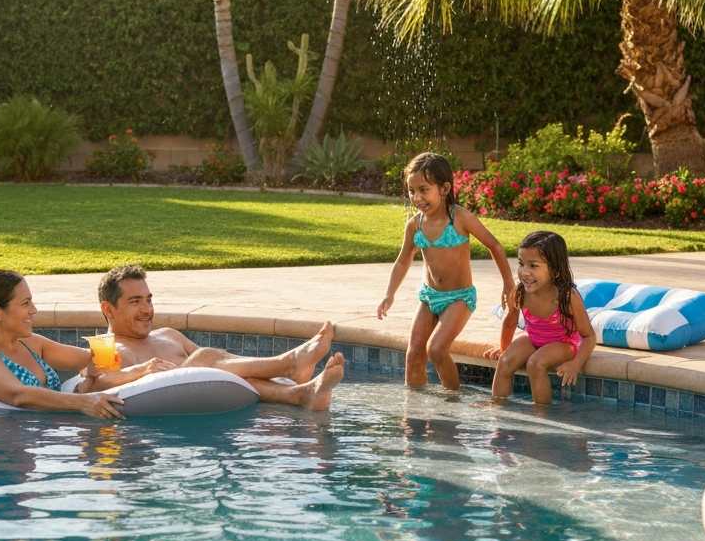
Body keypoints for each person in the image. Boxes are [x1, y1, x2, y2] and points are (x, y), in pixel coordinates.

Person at [98, 265, 345, 410]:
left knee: (212, 361)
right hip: (168, 405)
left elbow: (226, 364)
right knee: (204, 357)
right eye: (135, 302)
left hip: (212, 398)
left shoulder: (169, 335)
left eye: (149, 300)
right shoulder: (109, 349)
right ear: (108, 309)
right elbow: (96, 386)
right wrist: (140, 371)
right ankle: (289, 364)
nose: (147, 309)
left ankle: (302, 393)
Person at [377, 151, 516, 390]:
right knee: (414, 354)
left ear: (444, 188)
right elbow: (402, 261)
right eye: (412, 191)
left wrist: (508, 283)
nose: (417, 197)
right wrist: (389, 295)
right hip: (429, 297)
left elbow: (494, 245)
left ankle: (452, 400)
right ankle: (413, 405)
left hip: (459, 298)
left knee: (436, 349)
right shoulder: (415, 225)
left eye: (424, 190)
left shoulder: (460, 218)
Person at [0, 269, 170, 419]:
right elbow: (19, 395)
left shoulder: (31, 343)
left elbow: (92, 359)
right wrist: (83, 402)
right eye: (25, 303)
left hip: (49, 435)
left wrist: (141, 366)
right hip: (13, 445)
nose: (34, 310)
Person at [485, 230, 597, 404]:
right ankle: (497, 408)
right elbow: (511, 322)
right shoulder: (520, 291)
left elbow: (589, 336)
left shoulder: (567, 296)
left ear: (554, 271)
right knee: (505, 361)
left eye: (533, 266)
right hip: (534, 339)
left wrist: (576, 364)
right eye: (521, 264)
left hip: (564, 344)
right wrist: (503, 348)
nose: (524, 272)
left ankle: (540, 413)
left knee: (535, 364)